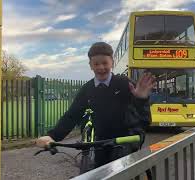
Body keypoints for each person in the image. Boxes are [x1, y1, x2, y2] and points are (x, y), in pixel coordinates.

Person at [36, 42, 155, 173]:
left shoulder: (125, 83)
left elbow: (145, 119)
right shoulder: (87, 89)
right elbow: (72, 115)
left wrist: (141, 99)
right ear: (90, 65)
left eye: (105, 63)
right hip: (102, 141)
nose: (101, 67)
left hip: (127, 138)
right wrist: (52, 136)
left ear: (112, 62)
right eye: (96, 64)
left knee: (122, 173)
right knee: (99, 173)